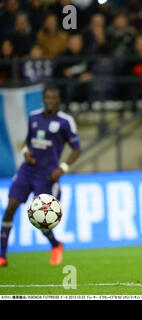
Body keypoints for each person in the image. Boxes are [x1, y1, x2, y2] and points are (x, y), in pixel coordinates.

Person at [0, 85, 81, 267]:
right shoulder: (34, 117)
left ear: (59, 100)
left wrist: (63, 168)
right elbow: (27, 142)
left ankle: (55, 244)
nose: (51, 101)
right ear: (44, 99)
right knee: (10, 207)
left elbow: (77, 148)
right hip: (27, 170)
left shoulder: (65, 121)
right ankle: (2, 255)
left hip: (47, 175)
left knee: (41, 219)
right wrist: (26, 152)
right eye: (48, 98)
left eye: (54, 98)